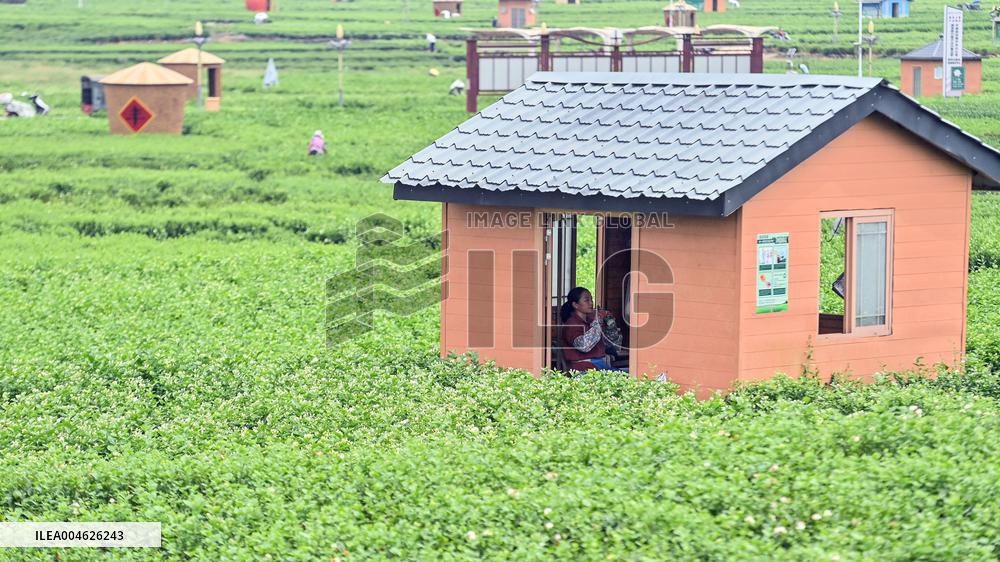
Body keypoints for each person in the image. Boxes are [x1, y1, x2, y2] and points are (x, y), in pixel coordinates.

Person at [560, 287, 627, 373]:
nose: (591, 303)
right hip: (584, 369)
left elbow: (613, 343)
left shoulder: (590, 322)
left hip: (599, 365)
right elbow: (584, 346)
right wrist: (598, 320)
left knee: (631, 374)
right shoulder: (572, 324)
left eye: (591, 299)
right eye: (586, 300)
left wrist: (610, 324)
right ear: (575, 305)